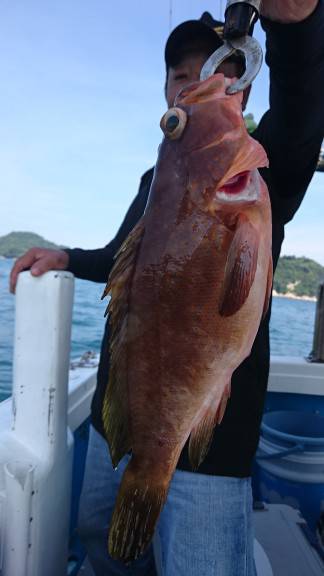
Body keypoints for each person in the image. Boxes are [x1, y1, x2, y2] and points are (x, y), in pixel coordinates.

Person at [10, 3, 324, 575]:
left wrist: (295, 24)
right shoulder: (158, 179)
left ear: (242, 83)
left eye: (211, 69)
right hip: (123, 416)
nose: (193, 84)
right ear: (166, 94)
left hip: (209, 441)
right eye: (180, 76)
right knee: (106, 557)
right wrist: (65, 257)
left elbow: (305, 105)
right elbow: (120, 260)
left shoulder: (265, 175)